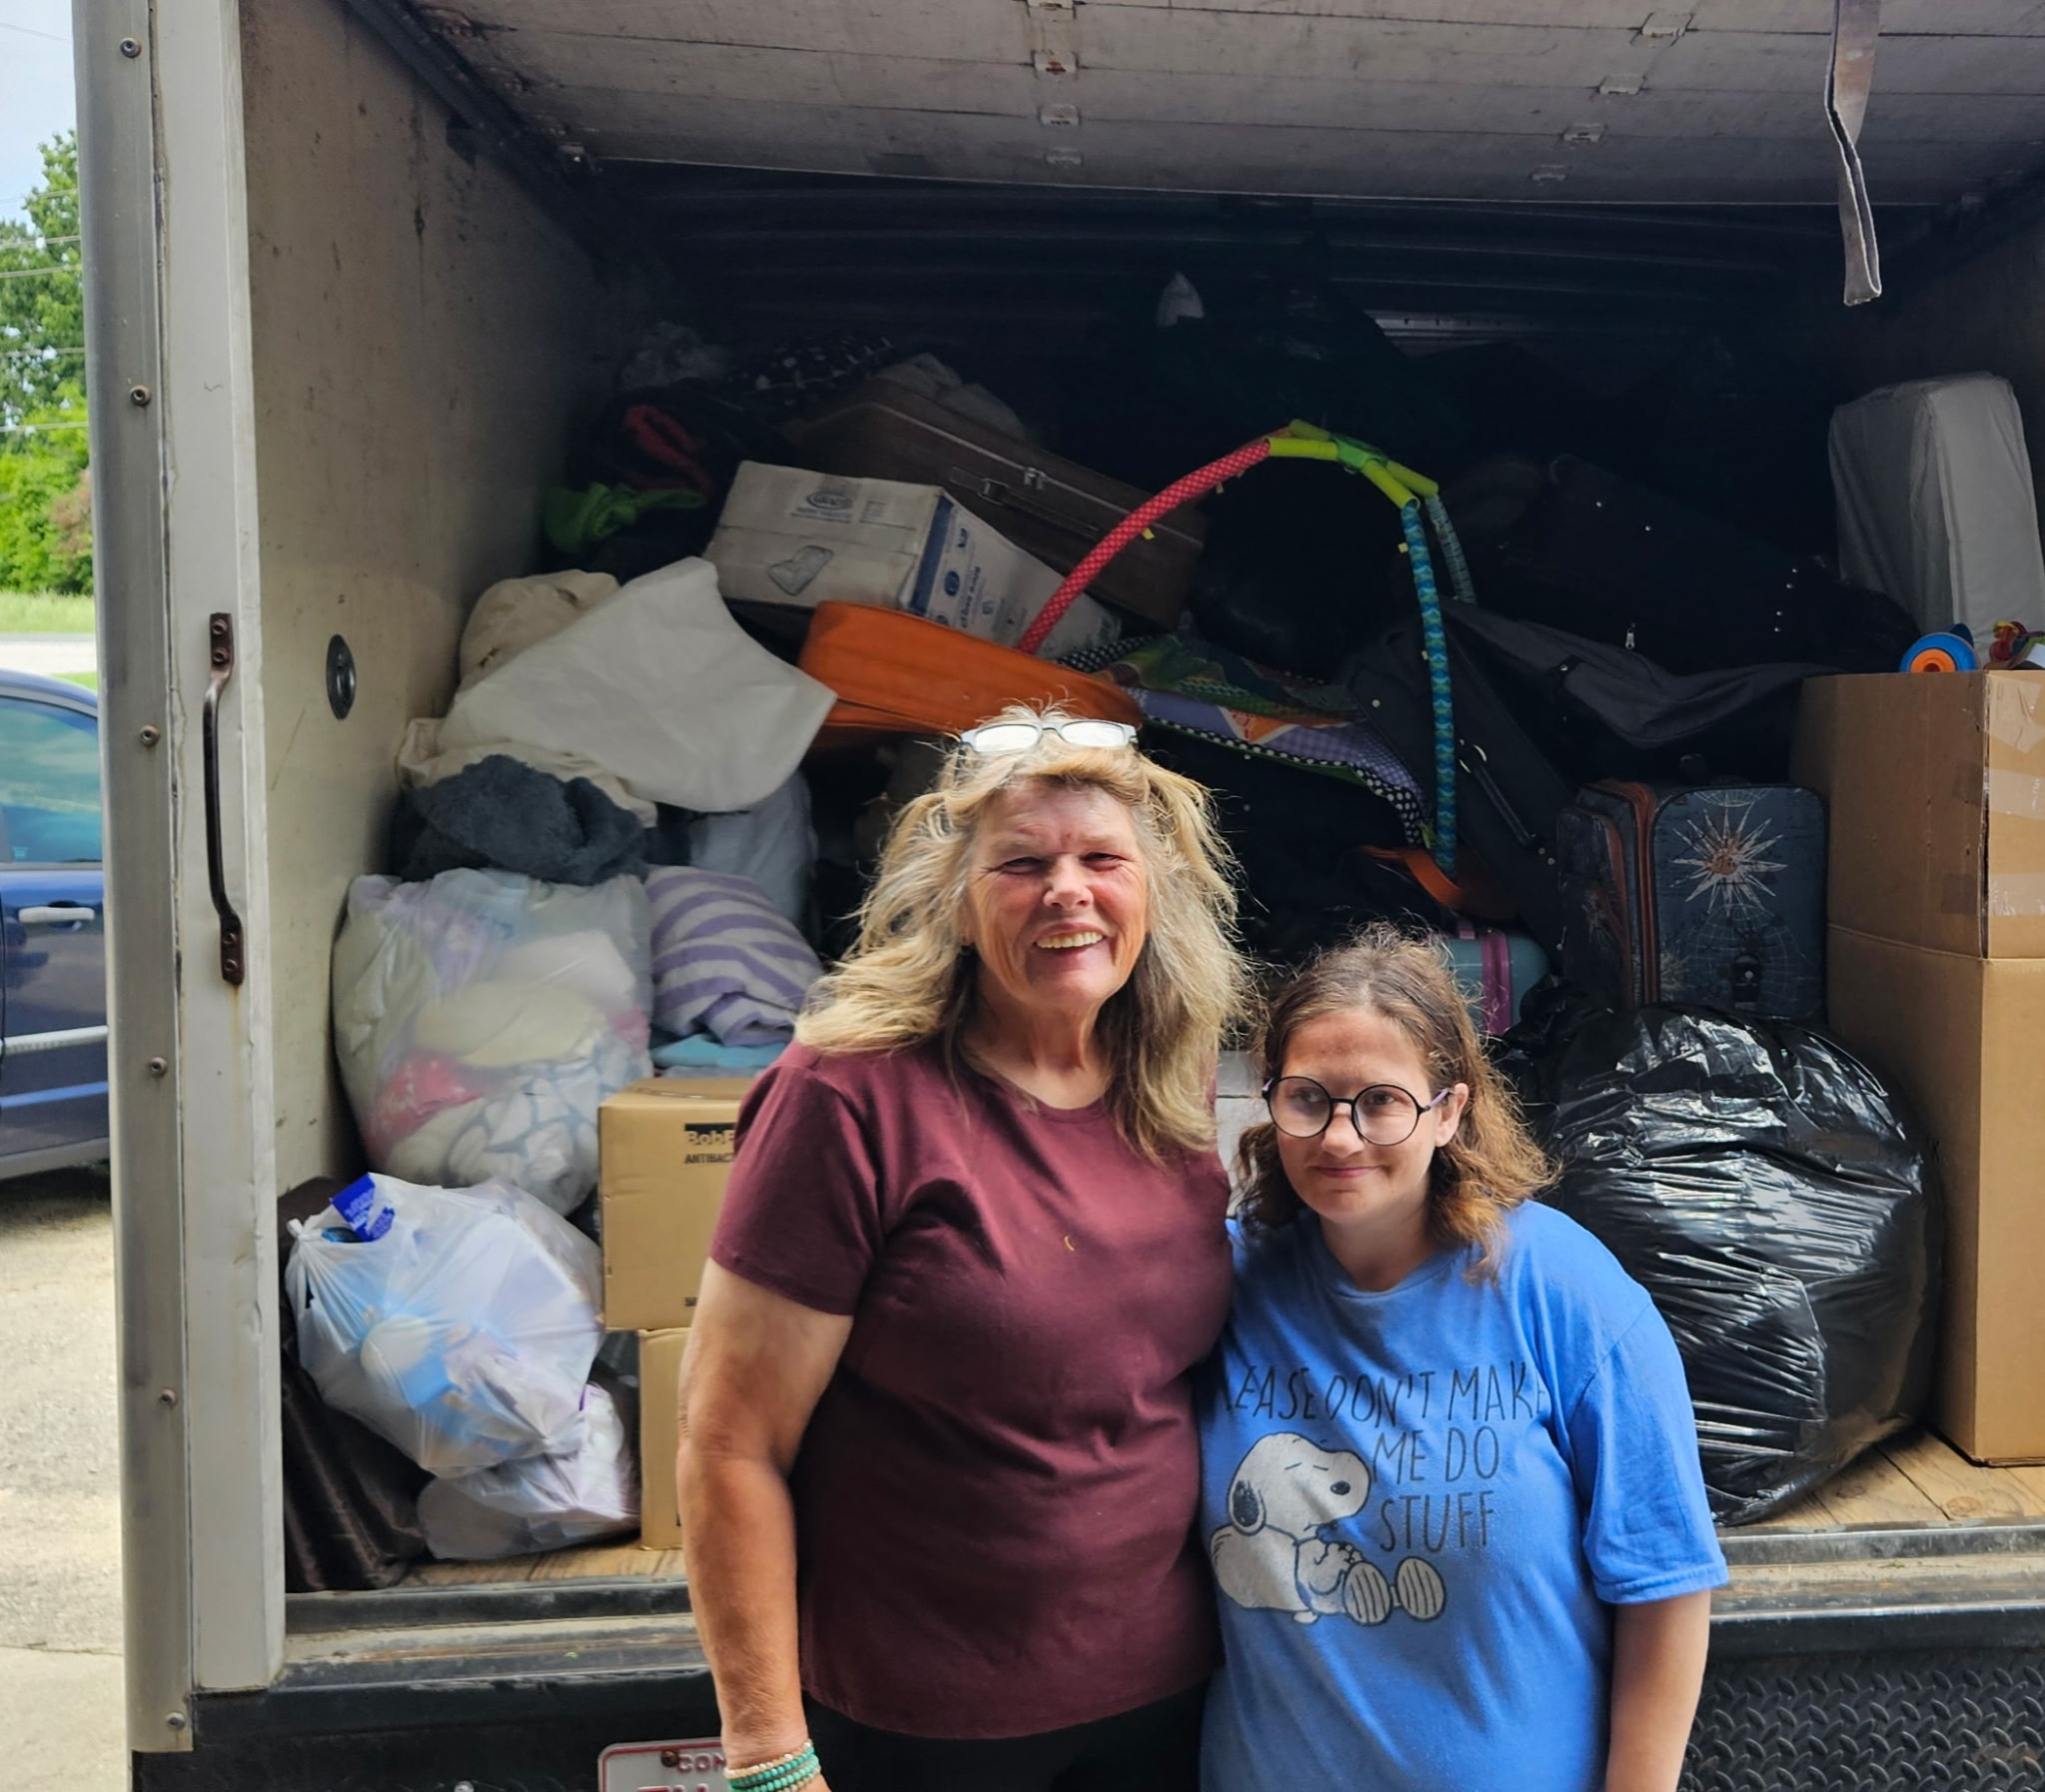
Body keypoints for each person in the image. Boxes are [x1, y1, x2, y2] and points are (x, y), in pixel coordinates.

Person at [679, 707, 1253, 1792]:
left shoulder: (1163, 1095)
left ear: (1154, 891)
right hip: (923, 1728)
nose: (1067, 892)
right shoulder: (849, 1099)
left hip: (1169, 1701)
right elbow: (727, 1443)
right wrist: (764, 1749)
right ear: (953, 896)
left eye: (1102, 860)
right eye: (1021, 863)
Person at [1199, 929, 1724, 1792]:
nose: (1339, 1137)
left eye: (1380, 1102)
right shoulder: (1220, 1284)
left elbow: (1663, 1580)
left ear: (1447, 1111)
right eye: (1307, 1099)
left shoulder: (1562, 1292)